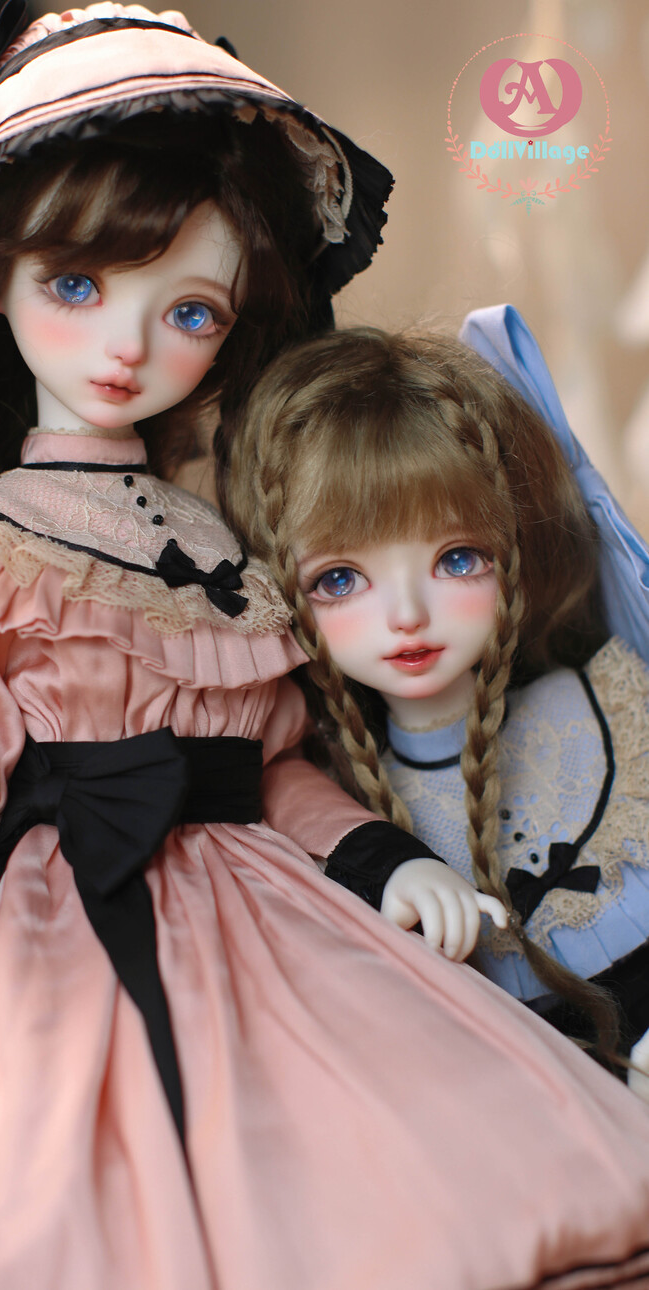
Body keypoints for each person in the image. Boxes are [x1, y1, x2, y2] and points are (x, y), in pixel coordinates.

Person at [0, 8, 649, 1288]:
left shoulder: (214, 547)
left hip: (260, 902)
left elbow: (268, 762)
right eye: (75, 286)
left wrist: (377, 858)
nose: (126, 347)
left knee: (384, 1159)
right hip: (40, 918)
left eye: (187, 311)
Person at [225, 320, 649, 1078]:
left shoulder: (609, 712)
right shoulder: (336, 805)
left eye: (457, 558)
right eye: (340, 579)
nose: (407, 615)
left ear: (515, 549)